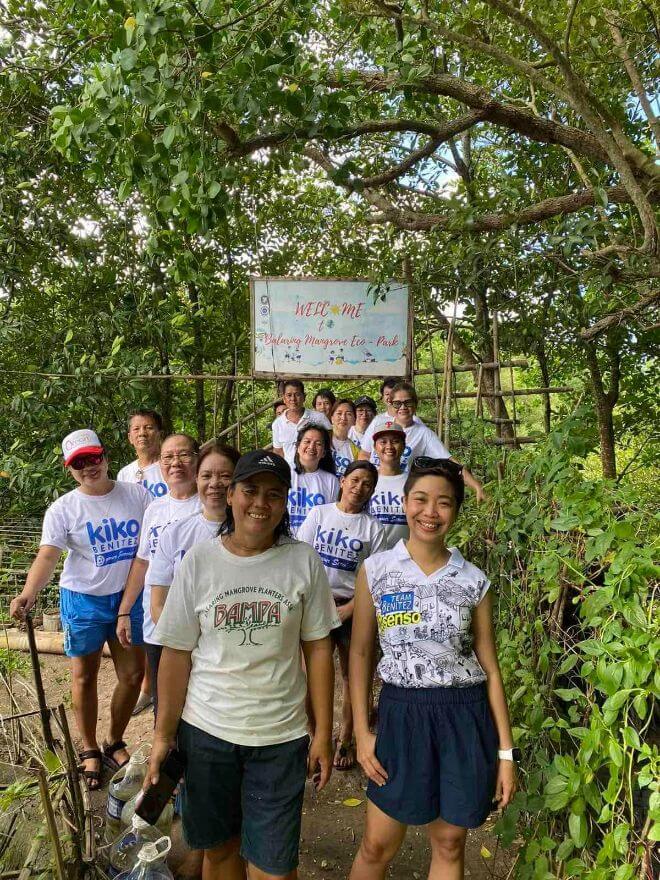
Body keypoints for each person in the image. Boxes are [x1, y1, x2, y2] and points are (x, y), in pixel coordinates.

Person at [146, 450, 340, 880]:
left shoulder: (303, 560)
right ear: (231, 495)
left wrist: (323, 733)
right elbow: (176, 654)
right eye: (249, 490)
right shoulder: (199, 560)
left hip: (280, 737)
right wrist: (162, 736)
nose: (260, 503)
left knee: (274, 867)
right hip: (207, 733)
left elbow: (319, 650)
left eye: (274, 494)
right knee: (219, 853)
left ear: (286, 502)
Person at [348, 458, 517, 880]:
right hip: (401, 715)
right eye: (420, 499)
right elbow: (361, 654)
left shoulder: (472, 580)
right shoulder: (377, 571)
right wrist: (361, 732)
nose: (430, 512)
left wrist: (506, 754)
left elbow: (490, 669)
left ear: (456, 511)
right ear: (404, 503)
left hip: (463, 715)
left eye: (444, 503)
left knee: (449, 843)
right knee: (376, 845)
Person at [10, 430, 150, 789]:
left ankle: (114, 739)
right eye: (79, 463)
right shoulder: (64, 508)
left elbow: (154, 544)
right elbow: (48, 554)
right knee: (84, 676)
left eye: (93, 458)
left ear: (105, 456)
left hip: (129, 597)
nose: (89, 467)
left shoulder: (137, 495)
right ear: (68, 468)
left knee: (133, 674)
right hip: (84, 598)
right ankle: (89, 747)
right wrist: (28, 593)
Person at [297, 461, 386, 772]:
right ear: (343, 480)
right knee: (312, 674)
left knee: (353, 677)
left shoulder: (373, 529)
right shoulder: (319, 514)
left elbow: (374, 577)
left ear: (372, 491)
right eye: (355, 479)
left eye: (367, 484)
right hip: (315, 604)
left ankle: (346, 738)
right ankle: (315, 734)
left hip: (353, 604)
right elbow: (300, 559)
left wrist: (351, 609)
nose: (359, 487)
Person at [146, 441, 240, 714]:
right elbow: (157, 603)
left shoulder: (258, 536)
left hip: (233, 653)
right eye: (207, 476)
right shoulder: (175, 534)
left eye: (225, 476)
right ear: (196, 479)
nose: (215, 484)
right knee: (170, 716)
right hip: (179, 647)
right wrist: (190, 645)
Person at [117, 434, 201, 713]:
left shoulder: (211, 507)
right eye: (168, 457)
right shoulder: (154, 508)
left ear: (197, 459)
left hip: (200, 622)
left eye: (184, 455)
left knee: (197, 699)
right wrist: (125, 609)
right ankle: (165, 754)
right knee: (163, 701)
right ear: (161, 465)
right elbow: (142, 562)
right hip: (157, 622)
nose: (176, 463)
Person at [360, 383, 486, 501]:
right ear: (391, 404)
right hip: (373, 487)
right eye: (398, 403)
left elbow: (450, 462)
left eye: (408, 403)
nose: (403, 407)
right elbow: (364, 454)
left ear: (415, 404)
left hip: (401, 492)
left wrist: (476, 486)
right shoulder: (379, 423)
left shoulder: (423, 433)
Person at [288, 422, 339, 535]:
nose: (311, 447)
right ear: (297, 446)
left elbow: (331, 518)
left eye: (318, 444)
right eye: (307, 441)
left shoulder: (331, 481)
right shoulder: (285, 474)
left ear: (324, 452)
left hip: (315, 544)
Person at [272, 379, 332, 469]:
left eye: (297, 394)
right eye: (289, 395)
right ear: (284, 399)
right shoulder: (278, 424)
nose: (293, 399)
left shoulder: (319, 418)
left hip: (317, 471)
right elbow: (278, 452)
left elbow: (330, 442)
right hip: (291, 475)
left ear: (304, 397)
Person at [367, 421, 409, 548]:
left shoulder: (413, 482)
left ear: (404, 446)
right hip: (369, 557)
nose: (389, 446)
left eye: (395, 441)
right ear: (375, 447)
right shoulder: (367, 479)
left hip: (404, 557)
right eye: (383, 442)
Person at [117, 410, 167, 499]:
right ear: (130, 438)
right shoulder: (124, 474)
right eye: (136, 429)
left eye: (149, 427)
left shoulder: (170, 467)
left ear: (160, 434)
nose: (142, 433)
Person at [331, 398, 360, 477]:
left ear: (354, 420)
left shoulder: (356, 451)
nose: (343, 418)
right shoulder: (321, 440)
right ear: (332, 418)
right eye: (339, 413)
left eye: (348, 414)